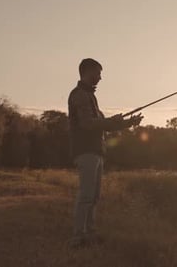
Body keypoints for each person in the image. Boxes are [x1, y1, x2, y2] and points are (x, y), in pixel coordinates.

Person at [67, 58, 143, 248]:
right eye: (98, 73)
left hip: (96, 152)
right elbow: (88, 124)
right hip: (86, 151)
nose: (100, 78)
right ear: (87, 71)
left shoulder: (90, 97)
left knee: (94, 196)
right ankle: (78, 236)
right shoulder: (79, 95)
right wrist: (112, 121)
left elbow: (102, 123)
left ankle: (89, 233)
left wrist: (127, 122)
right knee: (86, 195)